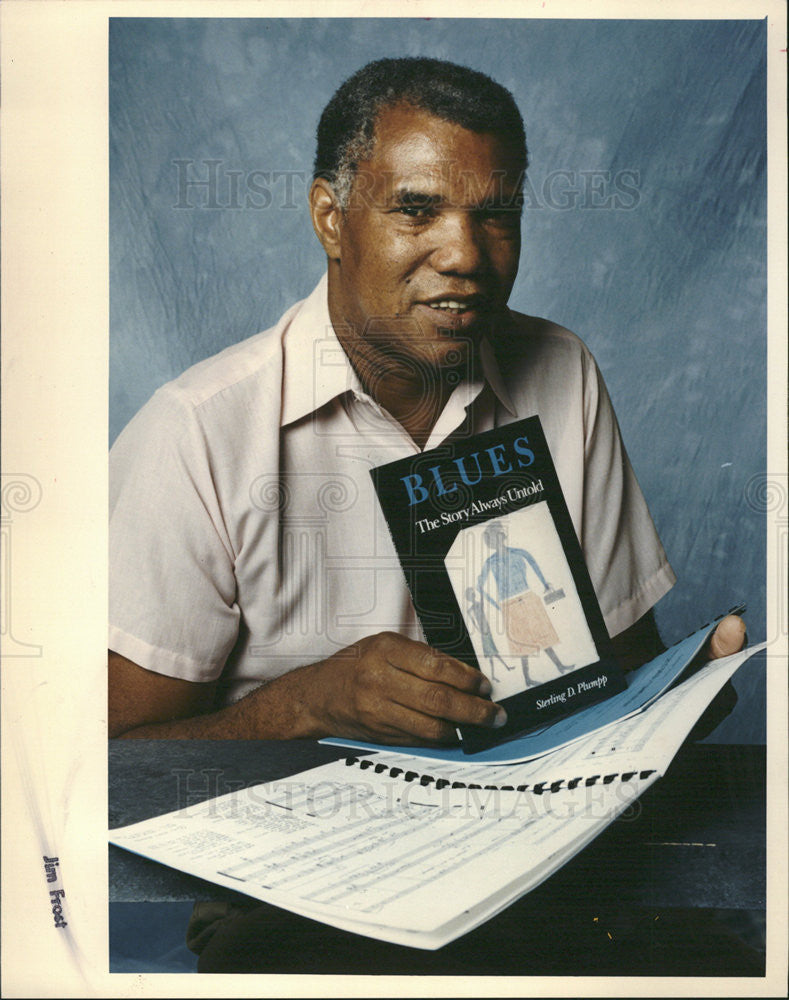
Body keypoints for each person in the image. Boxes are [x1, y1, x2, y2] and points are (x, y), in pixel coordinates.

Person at [108, 56, 745, 743]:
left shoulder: (562, 372)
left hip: (516, 821)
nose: (464, 254)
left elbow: (616, 663)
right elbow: (103, 766)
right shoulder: (198, 433)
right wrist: (304, 706)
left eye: (495, 214)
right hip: (289, 836)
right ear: (330, 219)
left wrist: (675, 692)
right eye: (416, 210)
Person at [476, 520, 572, 687]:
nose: (499, 537)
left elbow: (535, 565)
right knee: (521, 643)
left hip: (528, 597)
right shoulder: (490, 562)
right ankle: (527, 679)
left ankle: (560, 666)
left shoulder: (519, 552)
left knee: (543, 635)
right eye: (495, 535)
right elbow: (479, 586)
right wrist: (496, 605)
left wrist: (545, 584)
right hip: (509, 604)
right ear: (491, 540)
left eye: (500, 533)